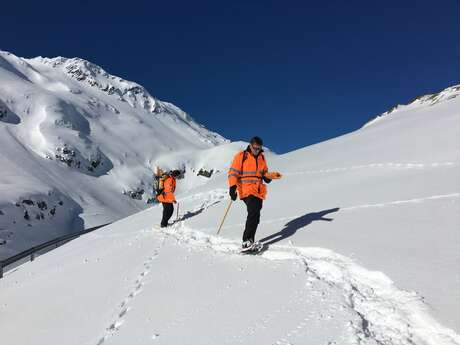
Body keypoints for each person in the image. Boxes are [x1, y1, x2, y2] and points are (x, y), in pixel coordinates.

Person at [228, 136, 281, 250]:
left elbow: (264, 172)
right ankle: (246, 241)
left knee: (256, 215)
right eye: (254, 148)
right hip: (246, 189)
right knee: (253, 212)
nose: (256, 150)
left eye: (258, 148)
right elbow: (233, 173)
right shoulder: (242, 156)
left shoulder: (262, 157)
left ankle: (250, 240)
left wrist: (269, 177)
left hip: (258, 190)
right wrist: (232, 187)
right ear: (250, 146)